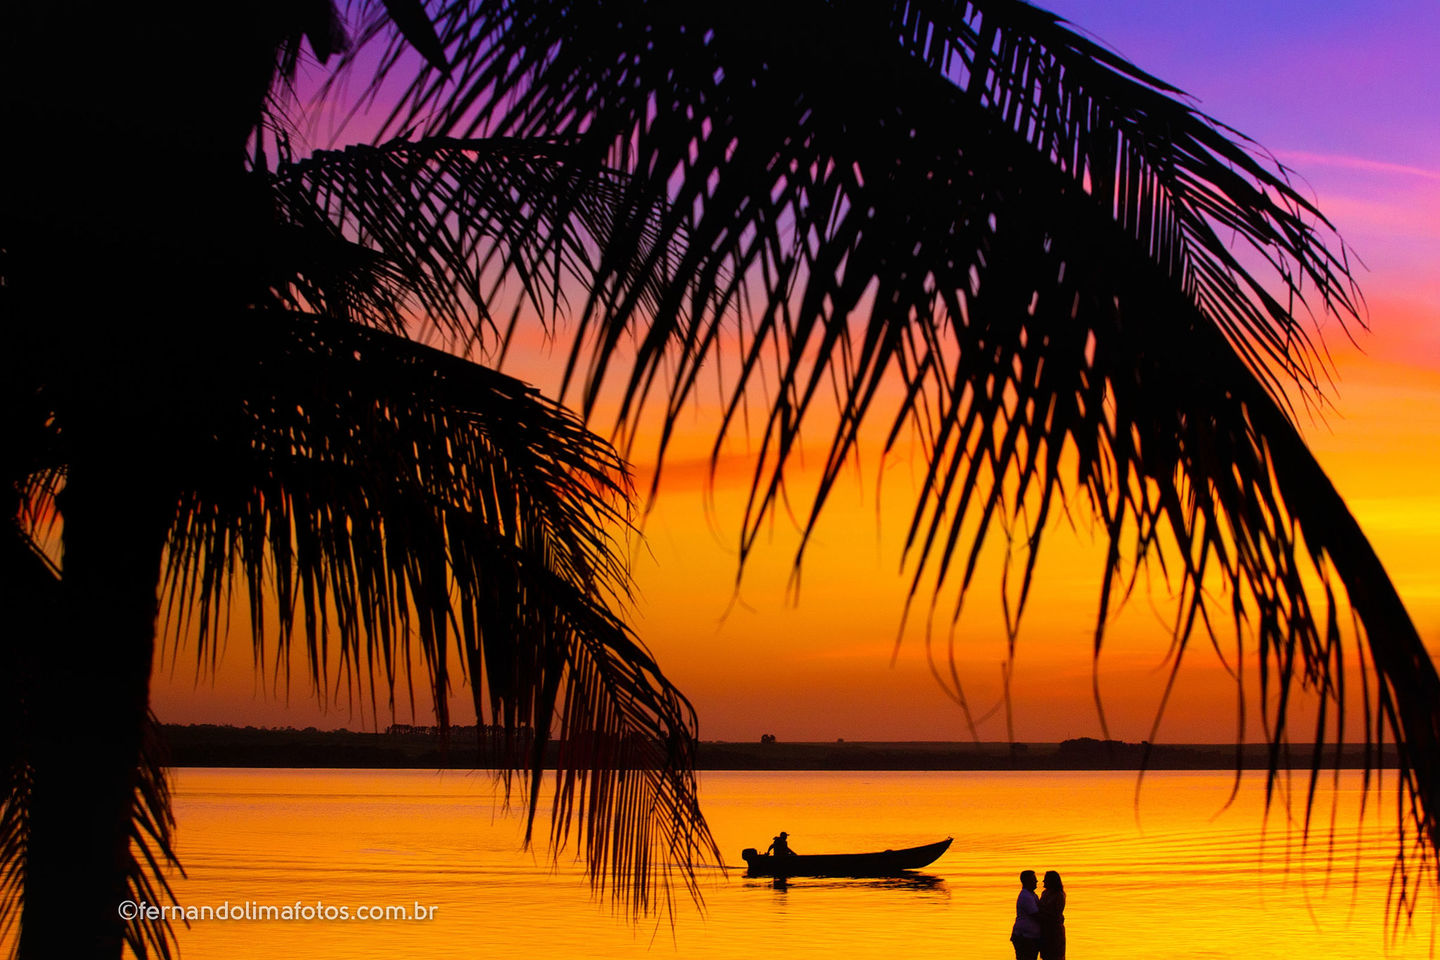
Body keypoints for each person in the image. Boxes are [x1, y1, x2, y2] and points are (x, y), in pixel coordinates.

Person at [1010, 869, 1041, 960]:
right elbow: (1036, 915)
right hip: (1024, 937)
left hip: (1029, 936)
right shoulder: (1026, 896)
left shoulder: (1032, 895)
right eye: (1034, 879)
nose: (1036, 881)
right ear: (1027, 881)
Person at [1039, 870, 1066, 960]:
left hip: (1055, 932)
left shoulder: (1059, 895)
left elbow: (1055, 914)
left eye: (1045, 879)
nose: (1043, 881)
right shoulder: (1045, 893)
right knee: (1046, 955)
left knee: (1056, 955)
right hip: (1045, 931)